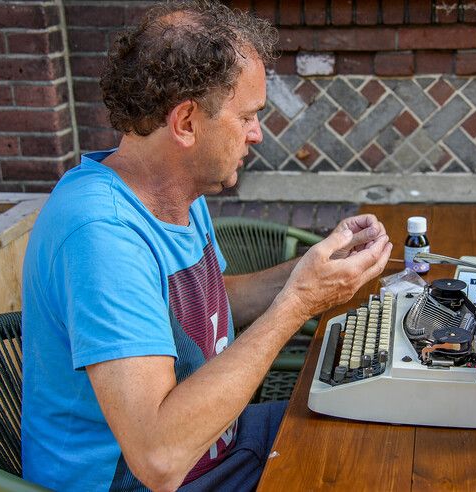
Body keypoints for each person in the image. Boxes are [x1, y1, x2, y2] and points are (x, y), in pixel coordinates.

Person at [20, 1, 392, 491]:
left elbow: (209, 306)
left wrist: (312, 268)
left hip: (220, 447)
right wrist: (298, 302)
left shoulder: (178, 190)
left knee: (380, 431)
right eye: (248, 116)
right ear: (187, 123)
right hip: (150, 478)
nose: (257, 134)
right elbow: (158, 457)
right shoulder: (99, 234)